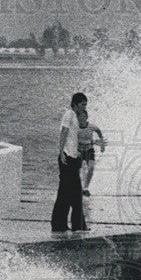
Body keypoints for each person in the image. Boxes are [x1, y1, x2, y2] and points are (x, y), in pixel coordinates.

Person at [50, 92, 88, 232]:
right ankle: (74, 225)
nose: (84, 107)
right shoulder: (69, 114)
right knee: (71, 192)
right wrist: (61, 153)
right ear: (76, 103)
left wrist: (77, 151)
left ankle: (61, 225)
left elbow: (73, 137)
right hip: (66, 158)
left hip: (72, 157)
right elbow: (64, 132)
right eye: (83, 104)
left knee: (66, 193)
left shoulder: (75, 117)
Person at [76, 108, 106, 196]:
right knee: (77, 170)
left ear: (86, 117)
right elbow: (72, 139)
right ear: (77, 118)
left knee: (91, 167)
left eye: (84, 116)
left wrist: (102, 144)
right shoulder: (75, 127)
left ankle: (85, 188)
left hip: (89, 150)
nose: (82, 118)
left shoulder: (91, 126)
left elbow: (99, 131)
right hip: (79, 150)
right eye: (80, 117)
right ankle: (78, 188)